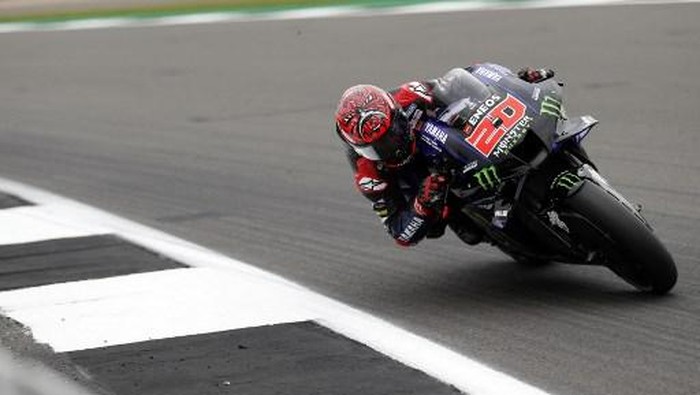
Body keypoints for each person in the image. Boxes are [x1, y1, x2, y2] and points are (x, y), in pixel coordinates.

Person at [334, 64, 554, 247]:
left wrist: (515, 81)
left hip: (446, 141)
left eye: (393, 133)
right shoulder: (368, 174)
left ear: (397, 112)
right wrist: (421, 204)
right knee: (466, 231)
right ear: (360, 148)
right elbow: (399, 231)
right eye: (378, 147)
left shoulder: (409, 94)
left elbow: (465, 79)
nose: (392, 146)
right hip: (419, 180)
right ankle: (469, 213)